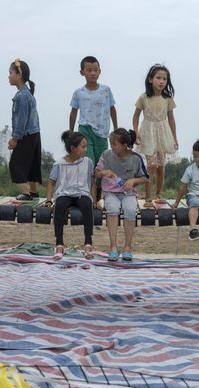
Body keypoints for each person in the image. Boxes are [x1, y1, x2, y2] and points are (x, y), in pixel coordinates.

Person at [95, 128, 148, 262]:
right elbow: (96, 173)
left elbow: (145, 178)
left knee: (130, 210)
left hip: (129, 194)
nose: (111, 147)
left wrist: (133, 180)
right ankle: (113, 247)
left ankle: (127, 248)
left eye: (114, 144)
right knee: (112, 209)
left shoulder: (136, 158)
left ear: (124, 145)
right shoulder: (106, 155)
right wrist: (103, 172)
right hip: (111, 193)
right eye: (110, 143)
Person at [69, 56, 117, 200]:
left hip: (102, 132)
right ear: (82, 72)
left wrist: (116, 129)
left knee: (101, 163)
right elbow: (73, 112)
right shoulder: (78, 93)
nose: (92, 73)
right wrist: (71, 132)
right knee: (88, 161)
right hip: (85, 130)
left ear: (100, 71)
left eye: (95, 70)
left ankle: (99, 192)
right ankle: (88, 192)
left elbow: (112, 109)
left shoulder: (106, 90)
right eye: (89, 70)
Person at [132, 64, 178, 206]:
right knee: (151, 166)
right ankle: (148, 197)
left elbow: (171, 119)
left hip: (163, 134)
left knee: (161, 167)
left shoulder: (168, 98)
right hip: (148, 133)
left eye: (164, 79)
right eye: (158, 78)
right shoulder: (144, 97)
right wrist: (136, 133)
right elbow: (135, 116)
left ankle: (158, 194)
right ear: (151, 79)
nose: (161, 81)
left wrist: (175, 138)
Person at [45, 131, 96, 260]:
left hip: (82, 193)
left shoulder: (88, 162)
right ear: (73, 148)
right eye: (83, 147)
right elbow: (51, 182)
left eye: (86, 146)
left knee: (87, 205)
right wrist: (49, 200)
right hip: (64, 193)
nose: (86, 149)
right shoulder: (59, 164)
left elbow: (92, 182)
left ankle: (88, 243)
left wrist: (94, 200)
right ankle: (59, 244)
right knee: (59, 205)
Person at [8, 59, 42, 202]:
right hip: (35, 134)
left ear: (19, 75)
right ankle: (34, 192)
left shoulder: (22, 96)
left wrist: (15, 139)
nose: (9, 76)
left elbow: (22, 120)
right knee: (32, 164)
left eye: (11, 73)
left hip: (26, 135)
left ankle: (26, 194)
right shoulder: (28, 93)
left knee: (15, 164)